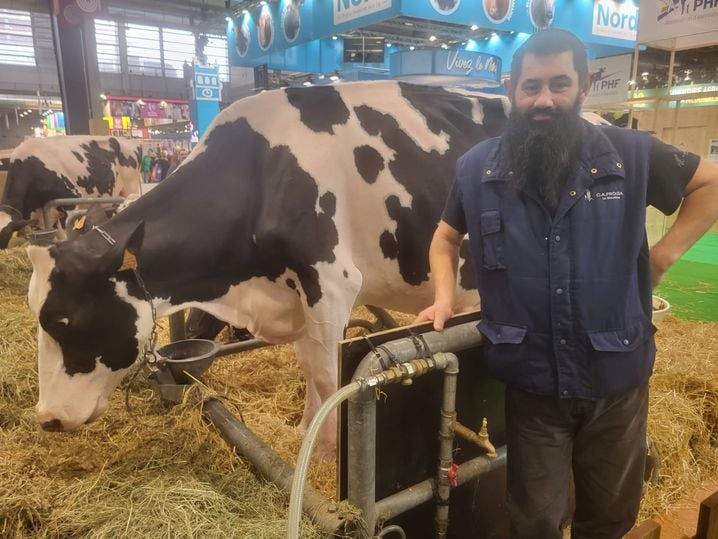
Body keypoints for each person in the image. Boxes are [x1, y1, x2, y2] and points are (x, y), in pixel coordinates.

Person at [416, 29, 718, 538]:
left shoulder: (631, 154)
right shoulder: (477, 168)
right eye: (531, 86)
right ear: (511, 88)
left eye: (560, 84)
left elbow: (710, 183)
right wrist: (443, 299)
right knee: (534, 518)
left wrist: (662, 258)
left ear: (584, 86)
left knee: (610, 514)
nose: (544, 99)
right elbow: (444, 239)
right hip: (532, 384)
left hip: (616, 376)